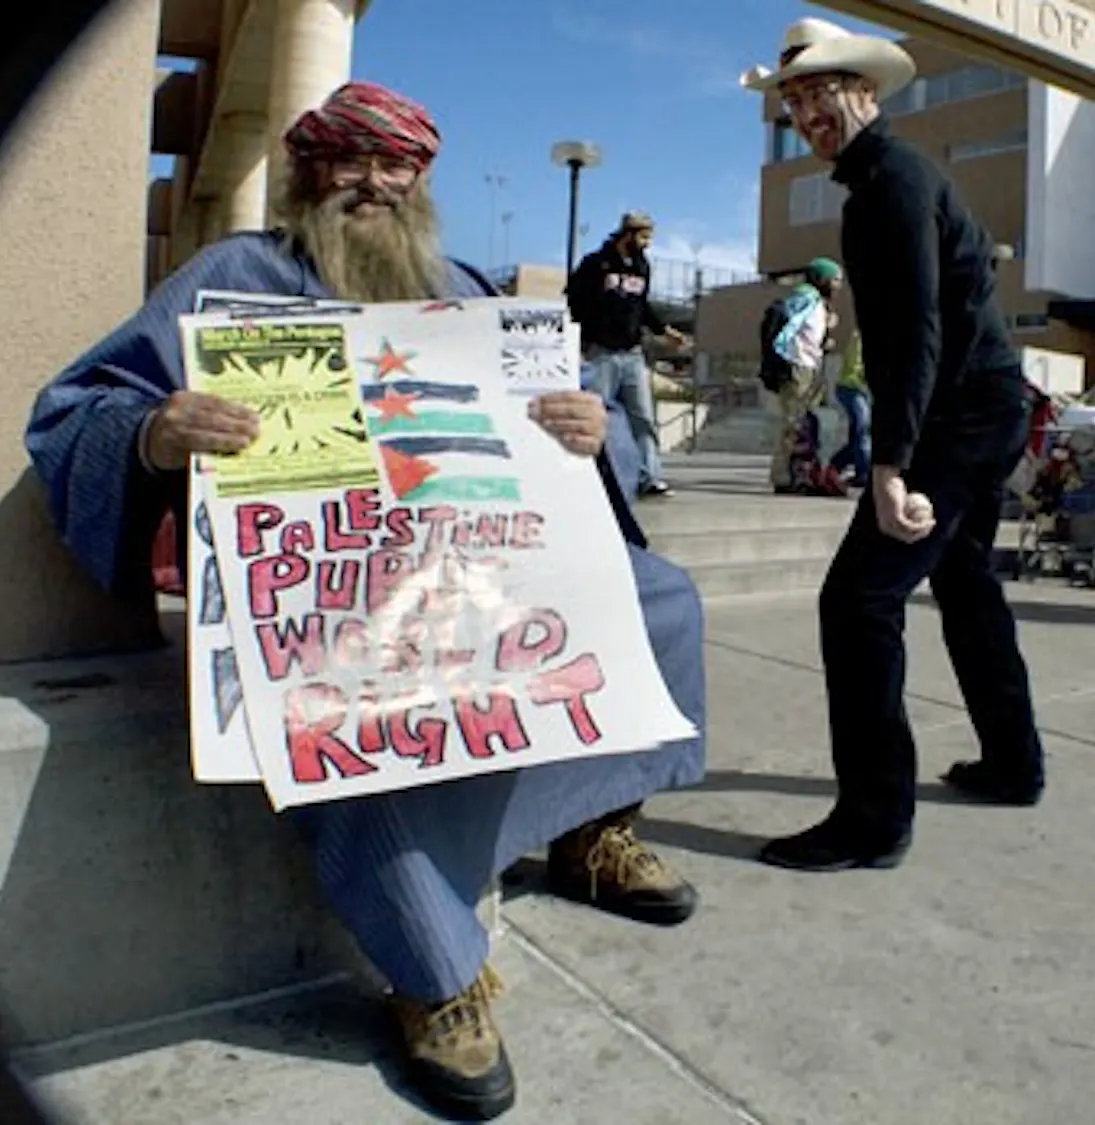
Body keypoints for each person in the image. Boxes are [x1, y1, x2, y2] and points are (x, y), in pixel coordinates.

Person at [24, 82, 706, 1123]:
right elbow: (81, 408)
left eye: (399, 165)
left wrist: (585, 430)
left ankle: (588, 832)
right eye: (352, 158)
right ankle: (436, 976)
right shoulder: (236, 275)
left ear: (423, 180)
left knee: (660, 600)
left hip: (479, 570)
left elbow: (552, 437)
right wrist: (157, 431)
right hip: (336, 602)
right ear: (309, 168)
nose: (375, 182)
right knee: (363, 706)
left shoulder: (466, 285)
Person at [741, 19, 1045, 872]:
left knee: (859, 601)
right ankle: (1014, 762)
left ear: (867, 93)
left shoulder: (892, 185)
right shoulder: (885, 182)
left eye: (821, 93)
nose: (808, 113)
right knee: (965, 580)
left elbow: (914, 334)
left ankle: (874, 819)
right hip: (987, 403)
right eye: (795, 100)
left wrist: (889, 466)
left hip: (960, 415)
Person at [565, 212, 686, 499]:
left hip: (632, 354)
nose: (647, 244)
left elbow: (642, 306)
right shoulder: (597, 263)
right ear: (627, 234)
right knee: (596, 416)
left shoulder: (642, 267)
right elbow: (574, 299)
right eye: (643, 237)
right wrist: (585, 337)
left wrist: (664, 330)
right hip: (601, 353)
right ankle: (591, 477)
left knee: (643, 416)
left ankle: (650, 477)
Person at [765, 257, 844, 493]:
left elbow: (808, 336)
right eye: (836, 279)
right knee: (794, 423)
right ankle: (783, 476)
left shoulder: (816, 302)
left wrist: (825, 334)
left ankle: (798, 472)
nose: (839, 285)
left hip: (808, 366)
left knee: (804, 425)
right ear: (822, 279)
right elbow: (787, 332)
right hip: (797, 367)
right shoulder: (804, 297)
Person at [830, 327, 872, 488]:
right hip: (851, 388)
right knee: (863, 431)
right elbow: (855, 365)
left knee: (858, 433)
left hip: (857, 389)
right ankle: (863, 473)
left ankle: (836, 465)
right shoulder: (860, 335)